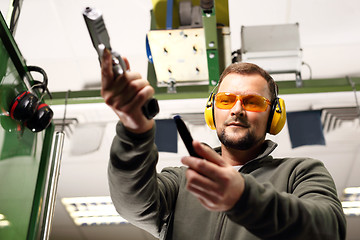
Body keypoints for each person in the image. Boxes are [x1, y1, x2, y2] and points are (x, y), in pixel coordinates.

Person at [101, 49, 346, 240]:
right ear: (212, 110)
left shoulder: (301, 172)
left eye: (252, 102)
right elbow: (131, 205)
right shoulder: (182, 180)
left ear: (274, 116)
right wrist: (134, 131)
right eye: (226, 100)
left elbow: (328, 231)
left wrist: (243, 197)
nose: (237, 110)